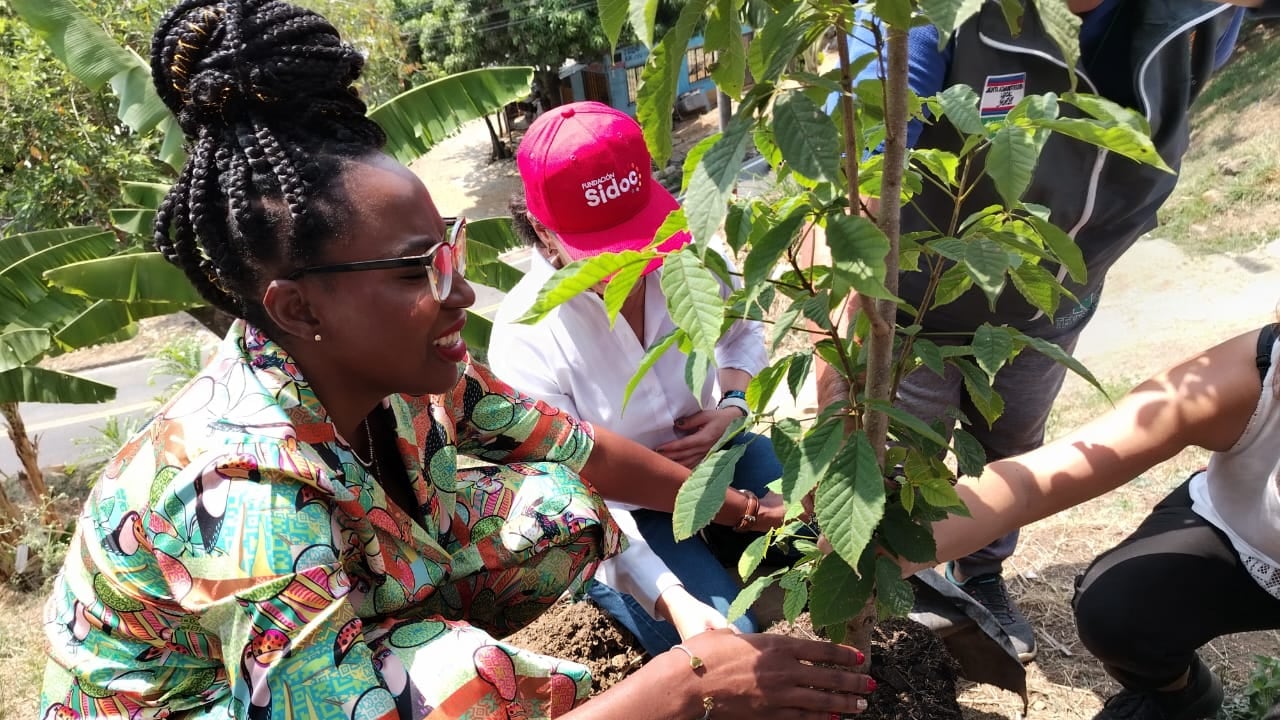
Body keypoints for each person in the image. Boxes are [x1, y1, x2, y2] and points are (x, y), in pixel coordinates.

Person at [37, 3, 876, 718]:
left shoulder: (400, 374)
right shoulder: (244, 500)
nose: (462, 294)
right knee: (461, 676)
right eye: (416, 273)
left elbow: (579, 450)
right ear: (298, 308)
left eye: (451, 254)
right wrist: (683, 684)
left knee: (561, 505)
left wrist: (753, 514)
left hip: (316, 622)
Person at [821, 0, 1261, 661]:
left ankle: (981, 571)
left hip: (1048, 303)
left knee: (1015, 443)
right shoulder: (921, 16)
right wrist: (843, 359)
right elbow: (858, 188)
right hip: (911, 308)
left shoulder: (1202, 13)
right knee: (899, 456)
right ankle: (891, 593)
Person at [490, 101, 786, 655]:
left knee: (828, 529)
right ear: (543, 232)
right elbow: (570, 494)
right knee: (729, 643)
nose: (632, 262)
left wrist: (732, 405)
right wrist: (673, 598)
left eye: (638, 235)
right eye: (604, 250)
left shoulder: (687, 258)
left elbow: (742, 329)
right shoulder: (525, 335)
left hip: (719, 455)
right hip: (622, 512)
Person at [907, 323, 1280, 719]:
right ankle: (1179, 696)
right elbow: (1031, 485)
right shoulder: (1252, 377)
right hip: (1238, 537)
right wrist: (890, 545)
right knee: (1117, 611)